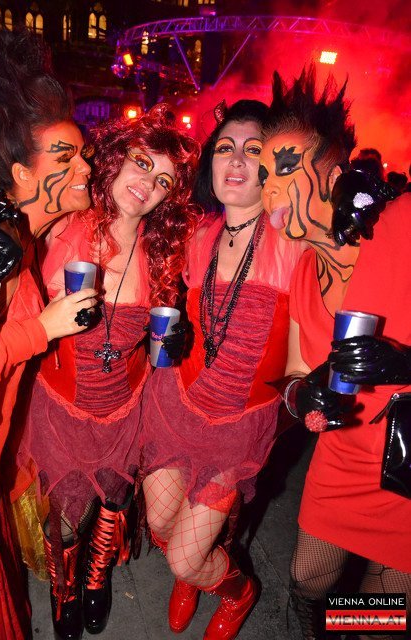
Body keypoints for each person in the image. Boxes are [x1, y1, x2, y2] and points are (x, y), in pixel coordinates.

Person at [17, 105, 201, 640]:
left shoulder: (163, 255)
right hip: (61, 407)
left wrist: (177, 340)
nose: (148, 183)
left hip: (126, 407)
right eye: (142, 163)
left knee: (113, 500)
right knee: (65, 515)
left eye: (163, 179)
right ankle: (65, 590)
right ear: (117, 159)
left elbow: (162, 342)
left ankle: (97, 576)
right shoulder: (61, 229)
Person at [139, 99, 304, 640]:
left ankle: (235, 590)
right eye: (225, 148)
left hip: (237, 426)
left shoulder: (294, 247)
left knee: (185, 557)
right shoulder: (197, 235)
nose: (235, 160)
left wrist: (304, 397)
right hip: (178, 402)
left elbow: (301, 360)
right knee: (159, 522)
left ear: (271, 167)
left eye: (253, 150)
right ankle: (197, 569)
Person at [259, 67, 411, 639]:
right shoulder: (304, 270)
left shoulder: (401, 225)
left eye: (286, 169)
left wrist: (405, 362)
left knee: (386, 605)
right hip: (344, 453)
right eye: (265, 176)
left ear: (335, 171)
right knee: (307, 577)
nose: (269, 191)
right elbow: (296, 373)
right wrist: (306, 398)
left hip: (410, 458)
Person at [0, 26, 96, 640]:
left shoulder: (20, 239)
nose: (85, 167)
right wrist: (41, 329)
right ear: (22, 175)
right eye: (66, 158)